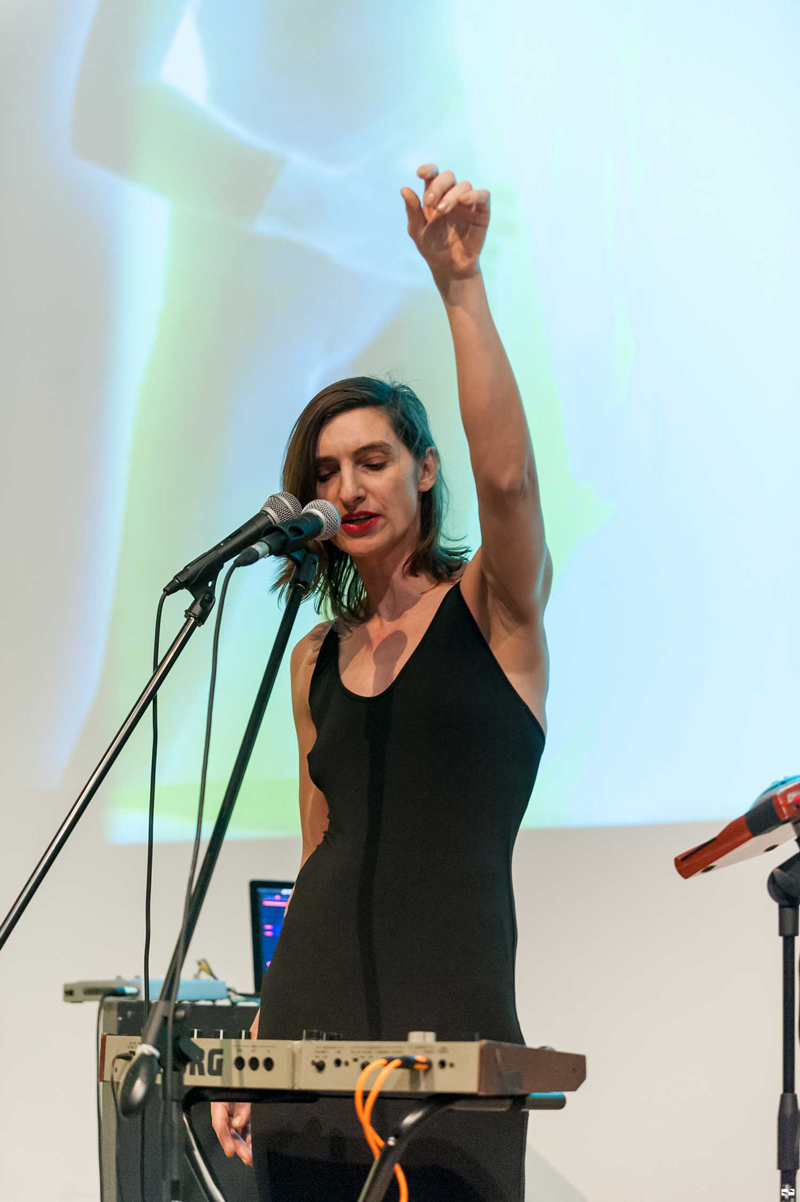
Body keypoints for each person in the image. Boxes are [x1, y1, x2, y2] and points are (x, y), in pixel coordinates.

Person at [211, 163, 552, 1201]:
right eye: (325, 472)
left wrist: (460, 284)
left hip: (449, 1050)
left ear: (424, 469)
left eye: (372, 460)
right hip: (309, 1044)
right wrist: (262, 1033)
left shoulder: (492, 609)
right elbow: (318, 853)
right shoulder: (313, 657)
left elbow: (508, 482)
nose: (347, 488)